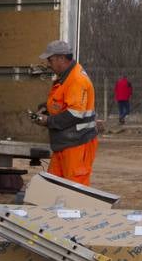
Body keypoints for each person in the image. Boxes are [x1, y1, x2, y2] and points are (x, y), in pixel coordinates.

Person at [32, 40, 99, 185]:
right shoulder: (67, 77)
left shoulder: (76, 79)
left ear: (61, 58)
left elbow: (74, 113)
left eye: (50, 60)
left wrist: (47, 121)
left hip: (77, 144)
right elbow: (63, 103)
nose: (48, 64)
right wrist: (46, 109)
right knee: (55, 185)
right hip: (67, 142)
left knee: (75, 188)